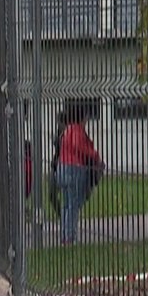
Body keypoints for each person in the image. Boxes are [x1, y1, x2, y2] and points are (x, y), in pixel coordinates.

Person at [55, 104, 102, 245]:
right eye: (86, 117)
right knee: (74, 204)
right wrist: (94, 155)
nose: (87, 120)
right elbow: (78, 146)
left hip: (62, 167)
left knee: (67, 204)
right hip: (74, 169)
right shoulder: (77, 130)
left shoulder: (67, 130)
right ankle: (70, 237)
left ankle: (65, 234)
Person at [48, 111, 68, 220]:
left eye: (59, 122)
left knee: (66, 197)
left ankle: (66, 219)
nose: (58, 124)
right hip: (56, 166)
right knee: (52, 195)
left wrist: (57, 142)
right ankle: (63, 217)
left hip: (65, 168)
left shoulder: (69, 134)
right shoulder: (60, 132)